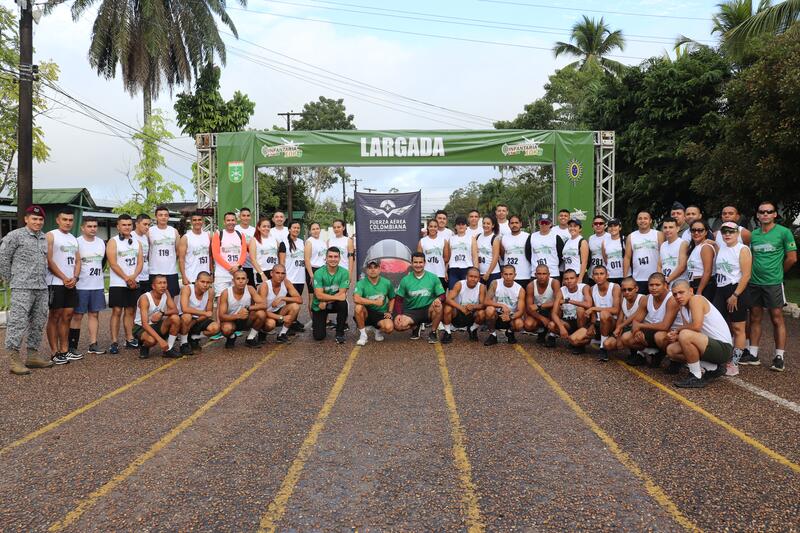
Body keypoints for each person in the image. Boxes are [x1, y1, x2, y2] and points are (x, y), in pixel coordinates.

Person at [742, 200, 797, 371]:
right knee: (755, 317)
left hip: (773, 283)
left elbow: (792, 258)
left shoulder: (784, 232)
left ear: (775, 214)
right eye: (762, 212)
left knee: (776, 318)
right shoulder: (754, 234)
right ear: (758, 215)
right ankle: (753, 353)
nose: (765, 214)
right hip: (754, 282)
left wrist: (779, 273)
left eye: (769, 211)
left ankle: (779, 357)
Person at [0, 205, 53, 375]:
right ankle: (14, 360)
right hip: (22, 287)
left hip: (41, 287)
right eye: (34, 219)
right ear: (26, 219)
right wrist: (10, 279)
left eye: (40, 219)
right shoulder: (15, 236)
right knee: (18, 323)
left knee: (38, 322)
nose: (37, 222)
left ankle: (32, 355)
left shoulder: (44, 238)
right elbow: (3, 257)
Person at [665, 280, 733, 388]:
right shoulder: (682, 308)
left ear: (691, 291)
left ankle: (696, 376)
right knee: (671, 350)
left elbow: (696, 326)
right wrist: (675, 336)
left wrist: (678, 330)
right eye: (674, 294)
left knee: (684, 334)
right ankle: (712, 368)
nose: (678, 296)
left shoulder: (696, 299)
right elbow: (689, 333)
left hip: (723, 348)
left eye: (681, 292)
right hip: (708, 344)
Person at [713, 222, 752, 375]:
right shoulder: (722, 247)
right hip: (720, 289)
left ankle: (734, 362)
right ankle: (717, 357)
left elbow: (746, 275)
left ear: (737, 233)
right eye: (724, 232)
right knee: (716, 324)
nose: (727, 234)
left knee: (738, 328)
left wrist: (735, 295)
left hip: (736, 290)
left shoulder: (742, 249)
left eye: (731, 232)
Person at [45, 208, 81, 364]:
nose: (68, 222)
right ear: (58, 220)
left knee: (67, 316)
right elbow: (49, 260)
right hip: (56, 283)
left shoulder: (74, 238)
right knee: (55, 316)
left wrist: (75, 277)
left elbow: (78, 260)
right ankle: (54, 352)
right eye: (64, 219)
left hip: (71, 283)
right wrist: (64, 277)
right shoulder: (51, 235)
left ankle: (64, 350)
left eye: (70, 220)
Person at [622, 273, 681, 368]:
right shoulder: (646, 299)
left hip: (673, 333)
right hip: (655, 330)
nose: (654, 288)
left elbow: (665, 326)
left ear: (665, 285)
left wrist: (641, 326)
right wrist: (637, 331)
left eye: (657, 285)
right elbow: (636, 321)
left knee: (659, 336)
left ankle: (675, 360)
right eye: (651, 285)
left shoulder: (671, 299)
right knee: (626, 338)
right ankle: (649, 354)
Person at [69, 217, 107, 356]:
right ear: (82, 228)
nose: (93, 229)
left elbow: (102, 262)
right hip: (80, 285)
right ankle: (72, 346)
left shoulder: (101, 243)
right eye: (89, 226)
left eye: (95, 226)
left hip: (97, 285)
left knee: (94, 314)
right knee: (77, 316)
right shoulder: (76, 242)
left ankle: (93, 344)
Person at [107, 214, 144, 355]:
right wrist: (126, 278)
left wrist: (133, 277)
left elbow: (140, 262)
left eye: (129, 224)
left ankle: (129, 338)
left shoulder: (137, 242)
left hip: (134, 281)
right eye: (124, 225)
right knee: (117, 311)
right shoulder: (113, 241)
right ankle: (114, 342)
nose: (127, 227)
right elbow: (113, 263)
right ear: (118, 226)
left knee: (130, 310)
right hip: (118, 283)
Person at [571, 265, 621, 361]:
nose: (599, 276)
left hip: (611, 322)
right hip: (598, 322)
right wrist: (592, 324)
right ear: (592, 276)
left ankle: (603, 347)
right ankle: (590, 340)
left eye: (601, 274)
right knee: (573, 340)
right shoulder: (592, 288)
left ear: (607, 275)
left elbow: (616, 310)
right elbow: (593, 314)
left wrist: (594, 308)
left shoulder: (615, 287)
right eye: (596, 274)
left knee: (604, 314)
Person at [394, 252, 445, 343]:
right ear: (411, 263)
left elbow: (443, 295)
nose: (418, 265)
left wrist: (439, 299)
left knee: (439, 306)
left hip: (428, 310)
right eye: (415, 262)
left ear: (425, 263)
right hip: (412, 311)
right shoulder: (405, 280)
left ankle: (433, 332)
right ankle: (415, 326)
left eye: (420, 262)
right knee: (398, 326)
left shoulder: (433, 277)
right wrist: (399, 314)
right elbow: (398, 300)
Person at [133, 274, 181, 359]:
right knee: (152, 340)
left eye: (164, 283)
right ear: (153, 286)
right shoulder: (145, 298)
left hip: (155, 324)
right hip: (141, 327)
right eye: (159, 283)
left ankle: (168, 349)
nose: (163, 285)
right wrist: (161, 340)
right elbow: (145, 324)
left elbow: (175, 311)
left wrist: (162, 312)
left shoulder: (166, 293)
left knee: (175, 318)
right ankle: (144, 346)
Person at [218, 269, 267, 349]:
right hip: (231, 321)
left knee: (261, 313)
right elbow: (221, 316)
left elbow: (264, 305)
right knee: (226, 329)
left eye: (243, 279)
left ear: (247, 280)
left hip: (246, 319)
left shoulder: (250, 289)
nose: (241, 281)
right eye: (238, 279)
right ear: (233, 280)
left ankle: (250, 338)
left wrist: (248, 308)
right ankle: (231, 337)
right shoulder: (226, 293)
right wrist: (238, 316)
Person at [310, 247, 350, 343]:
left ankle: (340, 333)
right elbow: (319, 295)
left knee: (343, 304)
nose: (333, 259)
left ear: (339, 259)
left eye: (336, 257)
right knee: (318, 336)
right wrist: (326, 300)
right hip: (320, 305)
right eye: (330, 256)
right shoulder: (318, 273)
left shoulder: (344, 272)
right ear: (326, 258)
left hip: (330, 303)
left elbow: (342, 294)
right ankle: (320, 324)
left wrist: (327, 301)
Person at [353, 259, 396, 345]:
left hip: (381, 313)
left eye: (375, 267)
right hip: (367, 313)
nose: (373, 270)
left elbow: (392, 298)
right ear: (366, 270)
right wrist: (374, 302)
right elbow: (356, 299)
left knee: (389, 328)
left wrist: (390, 312)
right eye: (370, 267)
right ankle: (363, 335)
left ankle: (377, 330)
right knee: (358, 307)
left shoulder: (387, 283)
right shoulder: (361, 283)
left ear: (380, 269)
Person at [176, 271, 219, 355]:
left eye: (208, 282)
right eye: (202, 282)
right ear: (196, 281)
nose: (205, 285)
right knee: (187, 316)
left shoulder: (210, 292)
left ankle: (194, 337)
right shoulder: (187, 289)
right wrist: (203, 314)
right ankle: (183, 344)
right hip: (185, 318)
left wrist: (195, 321)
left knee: (216, 328)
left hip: (199, 318)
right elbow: (185, 309)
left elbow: (209, 312)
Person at [549, 269, 592, 353]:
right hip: (568, 321)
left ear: (576, 279)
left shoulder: (584, 287)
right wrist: (561, 328)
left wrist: (569, 301)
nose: (569, 281)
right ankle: (572, 340)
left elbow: (589, 305)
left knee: (580, 310)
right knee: (551, 325)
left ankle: (581, 344)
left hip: (582, 321)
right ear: (564, 280)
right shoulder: (562, 290)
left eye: (572, 278)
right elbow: (554, 313)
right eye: (566, 279)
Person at [258, 263, 302, 344]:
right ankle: (262, 332)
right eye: (277, 273)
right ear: (271, 273)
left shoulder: (286, 282)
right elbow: (261, 310)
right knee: (271, 324)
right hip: (265, 314)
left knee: (295, 306)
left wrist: (282, 298)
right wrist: (281, 318)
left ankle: (282, 334)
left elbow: (299, 300)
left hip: (278, 310)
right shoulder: (265, 286)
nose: (280, 275)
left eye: (283, 273)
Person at [603, 277, 646, 358]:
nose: (627, 292)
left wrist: (620, 327)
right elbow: (620, 318)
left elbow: (636, 317)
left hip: (640, 329)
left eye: (630, 289)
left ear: (636, 288)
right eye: (624, 290)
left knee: (626, 337)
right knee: (607, 344)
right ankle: (630, 348)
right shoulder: (623, 299)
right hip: (627, 328)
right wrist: (618, 338)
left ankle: (641, 353)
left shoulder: (642, 298)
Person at [484, 264, 525, 346]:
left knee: (519, 324)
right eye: (506, 274)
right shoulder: (495, 283)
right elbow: (486, 301)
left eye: (510, 274)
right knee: (489, 310)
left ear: (515, 275)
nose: (508, 277)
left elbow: (520, 311)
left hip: (510, 316)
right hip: (496, 315)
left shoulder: (520, 289)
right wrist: (502, 305)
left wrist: (510, 317)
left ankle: (510, 332)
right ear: (502, 275)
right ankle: (493, 335)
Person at [442, 267, 486, 343]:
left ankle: (472, 329)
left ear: (479, 279)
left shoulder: (481, 287)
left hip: (471, 314)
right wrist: (461, 308)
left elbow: (483, 305)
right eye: (471, 276)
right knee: (447, 308)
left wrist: (473, 307)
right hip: (458, 313)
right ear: (466, 277)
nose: (473, 279)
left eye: (475, 277)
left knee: (482, 313)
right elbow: (448, 299)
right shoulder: (460, 284)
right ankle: (447, 332)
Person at [624, 210, 662, 294]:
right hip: (638, 278)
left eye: (645, 218)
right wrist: (625, 277)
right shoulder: (631, 236)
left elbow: (663, 255)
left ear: (650, 221)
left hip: (655, 278)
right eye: (640, 218)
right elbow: (627, 257)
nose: (642, 220)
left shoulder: (658, 234)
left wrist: (661, 276)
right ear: (637, 221)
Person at [211, 212, 248, 294]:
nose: (231, 222)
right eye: (228, 220)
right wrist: (229, 268)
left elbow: (244, 253)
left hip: (238, 274)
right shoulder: (218, 234)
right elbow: (216, 254)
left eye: (232, 220)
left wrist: (238, 266)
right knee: (221, 300)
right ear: (224, 222)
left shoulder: (240, 235)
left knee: (236, 300)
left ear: (236, 222)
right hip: (222, 275)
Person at [524, 264, 560, 346]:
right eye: (539, 274)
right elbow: (529, 308)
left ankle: (552, 335)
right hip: (538, 312)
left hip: (552, 309)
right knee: (528, 325)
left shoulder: (554, 283)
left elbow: (559, 301)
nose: (541, 276)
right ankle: (541, 331)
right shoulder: (531, 285)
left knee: (558, 308)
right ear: (535, 275)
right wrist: (542, 319)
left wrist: (541, 306)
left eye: (544, 274)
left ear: (549, 274)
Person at [148, 206, 180, 296]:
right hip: (154, 271)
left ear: (168, 217)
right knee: (154, 299)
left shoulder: (174, 231)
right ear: (156, 217)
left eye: (166, 215)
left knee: (171, 299)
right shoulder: (150, 231)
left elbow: (178, 251)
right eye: (160, 215)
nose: (163, 217)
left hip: (171, 271)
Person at [178, 212, 211, 286]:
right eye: (195, 220)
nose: (197, 222)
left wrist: (211, 272)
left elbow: (210, 256)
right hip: (191, 277)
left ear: (203, 221)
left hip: (205, 277)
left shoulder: (208, 236)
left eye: (199, 220)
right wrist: (183, 276)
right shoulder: (186, 238)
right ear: (191, 222)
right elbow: (181, 259)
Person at [686, 219, 717, 301]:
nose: (696, 233)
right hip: (694, 284)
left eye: (700, 230)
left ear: (706, 232)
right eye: (693, 230)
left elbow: (707, 271)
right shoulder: (694, 248)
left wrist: (699, 292)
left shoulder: (705, 247)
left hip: (704, 286)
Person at [501, 215, 531, 288]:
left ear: (520, 224)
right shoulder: (504, 237)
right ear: (509, 225)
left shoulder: (528, 236)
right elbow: (502, 254)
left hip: (524, 275)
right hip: (508, 276)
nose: (514, 225)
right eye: (512, 223)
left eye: (516, 223)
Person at [529, 213, 563, 280]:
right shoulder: (532, 236)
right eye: (542, 222)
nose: (544, 224)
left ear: (550, 224)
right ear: (539, 223)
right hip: (536, 273)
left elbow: (561, 255)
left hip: (553, 273)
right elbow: (528, 254)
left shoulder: (556, 237)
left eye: (546, 222)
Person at [418, 219, 449, 290]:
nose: (433, 228)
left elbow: (446, 259)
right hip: (426, 274)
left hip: (440, 273)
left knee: (440, 298)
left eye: (435, 226)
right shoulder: (422, 241)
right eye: (431, 226)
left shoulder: (444, 241)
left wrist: (445, 271)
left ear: (437, 228)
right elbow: (419, 259)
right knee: (426, 298)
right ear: (428, 227)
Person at [305, 222, 328, 314]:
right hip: (313, 270)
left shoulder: (322, 241)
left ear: (320, 229)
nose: (315, 231)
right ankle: (314, 321)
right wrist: (311, 275)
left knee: (323, 296)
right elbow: (306, 259)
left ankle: (324, 320)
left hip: (323, 270)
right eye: (313, 229)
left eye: (317, 228)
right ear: (310, 231)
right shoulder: (309, 242)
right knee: (312, 296)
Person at [250, 216, 280, 284]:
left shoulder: (274, 239)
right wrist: (261, 274)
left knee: (275, 294)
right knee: (262, 294)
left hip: (274, 271)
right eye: (264, 226)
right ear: (258, 228)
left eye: (268, 226)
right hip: (261, 271)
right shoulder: (254, 240)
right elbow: (253, 259)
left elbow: (279, 254)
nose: (266, 228)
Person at [659, 217, 689, 285]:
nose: (667, 230)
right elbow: (659, 265)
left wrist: (668, 280)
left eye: (671, 227)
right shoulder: (663, 245)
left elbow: (682, 267)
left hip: (679, 284)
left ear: (677, 229)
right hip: (665, 284)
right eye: (665, 227)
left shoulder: (683, 243)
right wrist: (661, 280)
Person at [473, 215, 501, 286]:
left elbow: (495, 258)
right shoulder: (477, 237)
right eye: (484, 223)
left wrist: (488, 273)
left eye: (488, 224)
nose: (485, 225)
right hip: (480, 273)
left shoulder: (495, 239)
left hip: (492, 273)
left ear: (493, 225)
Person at [447, 216, 473, 289]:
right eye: (458, 224)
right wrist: (445, 271)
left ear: (466, 226)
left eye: (463, 224)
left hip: (467, 268)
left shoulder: (471, 238)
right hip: (453, 269)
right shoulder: (451, 239)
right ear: (455, 226)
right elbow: (448, 257)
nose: (461, 226)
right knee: (452, 291)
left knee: (466, 292)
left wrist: (476, 270)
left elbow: (474, 256)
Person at [561, 218, 589, 284]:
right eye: (570, 226)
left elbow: (584, 262)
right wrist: (564, 278)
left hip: (578, 275)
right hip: (568, 276)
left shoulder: (582, 241)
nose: (572, 228)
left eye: (575, 226)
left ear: (580, 229)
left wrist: (580, 279)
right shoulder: (567, 241)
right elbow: (565, 261)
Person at [235, 207, 257, 286]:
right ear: (239, 217)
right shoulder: (235, 229)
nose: (246, 218)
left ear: (250, 217)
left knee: (251, 290)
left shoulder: (255, 230)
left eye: (248, 215)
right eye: (243, 215)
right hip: (237, 266)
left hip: (251, 265)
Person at [601, 218, 625, 284]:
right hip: (610, 275)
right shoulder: (604, 241)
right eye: (610, 226)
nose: (612, 228)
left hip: (624, 275)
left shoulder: (625, 240)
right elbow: (605, 258)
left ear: (620, 227)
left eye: (615, 226)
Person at [133, 214, 151, 295]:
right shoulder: (131, 236)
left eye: (149, 225)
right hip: (135, 277)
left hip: (146, 276)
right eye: (145, 224)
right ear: (137, 224)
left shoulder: (146, 237)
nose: (147, 227)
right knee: (134, 305)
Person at [588, 216, 607, 284]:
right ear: (592, 226)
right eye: (595, 223)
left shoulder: (609, 237)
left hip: (606, 274)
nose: (598, 225)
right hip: (593, 274)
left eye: (600, 223)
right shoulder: (591, 238)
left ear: (605, 225)